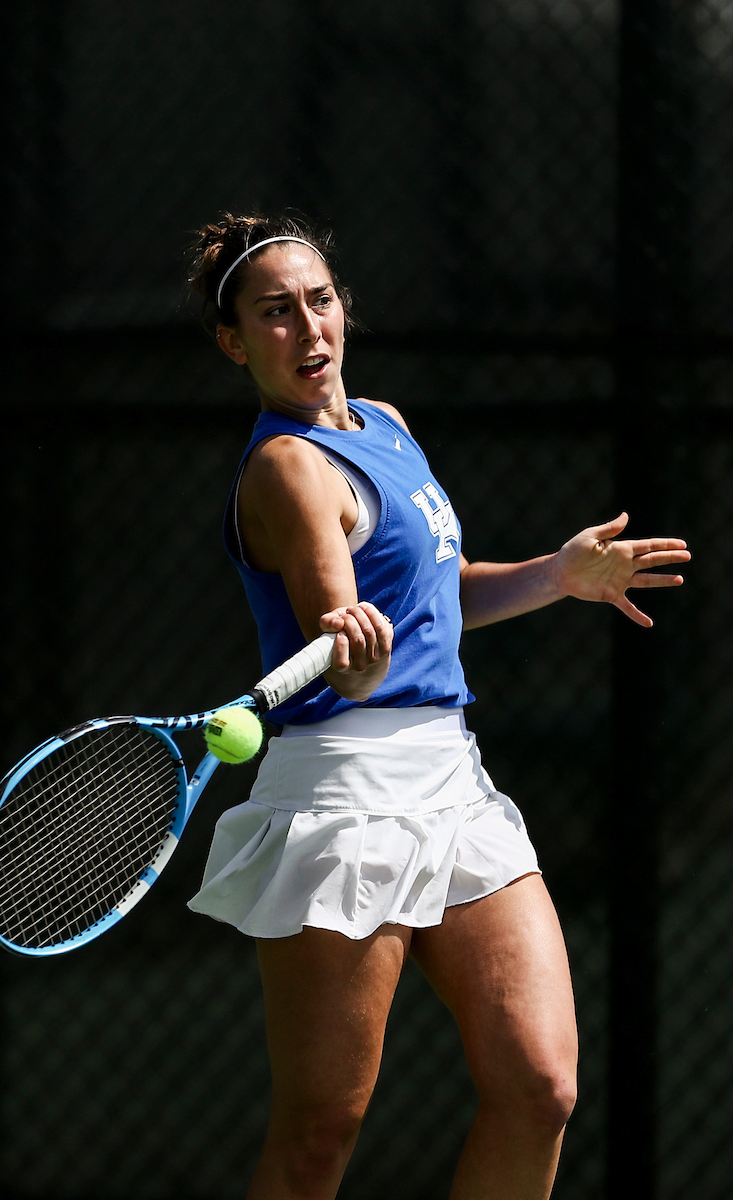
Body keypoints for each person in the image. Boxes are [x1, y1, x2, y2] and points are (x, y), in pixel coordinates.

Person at [185, 213, 690, 1200]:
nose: (308, 328)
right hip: (340, 796)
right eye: (274, 314)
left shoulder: (387, 424)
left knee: (539, 1083)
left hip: (451, 785)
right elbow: (346, 643)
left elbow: (435, 598)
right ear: (233, 343)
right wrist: (358, 661)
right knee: (320, 1133)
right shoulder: (286, 467)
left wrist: (558, 574)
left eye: (319, 302)